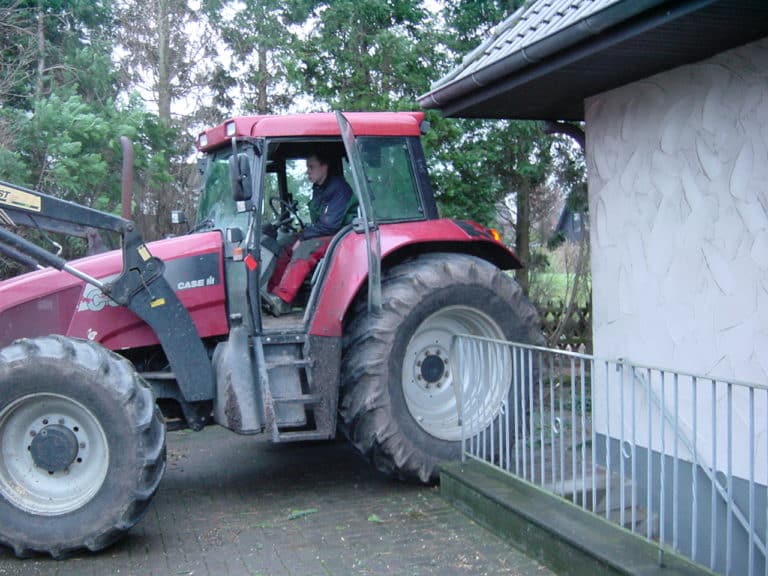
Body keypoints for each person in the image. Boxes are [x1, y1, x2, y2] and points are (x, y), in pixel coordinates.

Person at [263, 151, 354, 316]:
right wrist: (303, 233)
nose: (307, 171)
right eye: (307, 167)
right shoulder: (319, 188)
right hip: (326, 231)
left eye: (311, 167)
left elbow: (329, 226)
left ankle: (283, 299)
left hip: (342, 235)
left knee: (304, 249)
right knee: (283, 246)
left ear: (324, 167)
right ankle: (272, 294)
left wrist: (305, 236)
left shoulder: (338, 188)